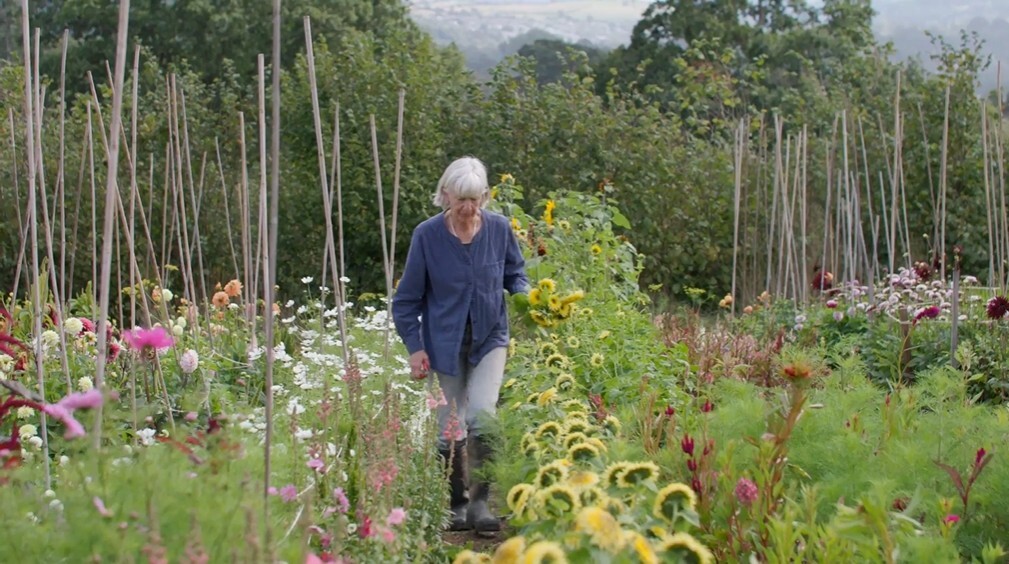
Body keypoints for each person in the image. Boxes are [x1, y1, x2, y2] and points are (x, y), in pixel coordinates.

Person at [392, 156, 529, 533]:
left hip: (489, 339)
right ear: (445, 195)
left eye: (476, 200)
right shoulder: (427, 236)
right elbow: (406, 301)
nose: (468, 208)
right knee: (449, 428)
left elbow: (515, 274)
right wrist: (415, 348)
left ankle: (481, 504)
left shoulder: (500, 230)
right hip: (443, 345)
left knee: (483, 416)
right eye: (460, 200)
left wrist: (527, 298)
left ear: (485, 196)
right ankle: (455, 504)